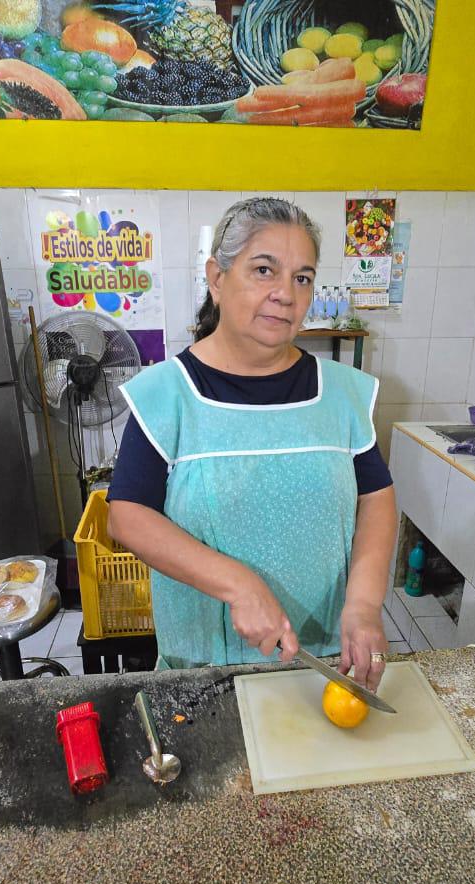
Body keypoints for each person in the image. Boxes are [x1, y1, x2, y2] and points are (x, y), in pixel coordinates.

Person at [107, 198, 396, 692]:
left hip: (323, 662)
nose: (286, 294)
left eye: (302, 278)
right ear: (217, 278)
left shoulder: (344, 393)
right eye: (264, 270)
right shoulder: (167, 395)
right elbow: (127, 514)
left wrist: (365, 604)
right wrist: (237, 584)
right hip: (204, 671)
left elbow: (376, 498)